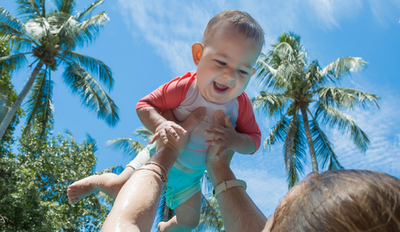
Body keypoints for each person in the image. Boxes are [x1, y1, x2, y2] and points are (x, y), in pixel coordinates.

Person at [69, 9, 265, 231]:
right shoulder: (185, 87)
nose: (230, 76)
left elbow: (254, 141)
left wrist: (234, 139)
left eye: (242, 71)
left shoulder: (241, 105)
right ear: (198, 55)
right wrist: (161, 124)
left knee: (190, 222)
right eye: (221, 62)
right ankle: (97, 182)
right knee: (118, 187)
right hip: (156, 155)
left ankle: (166, 227)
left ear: (252, 74)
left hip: (191, 178)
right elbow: (144, 106)